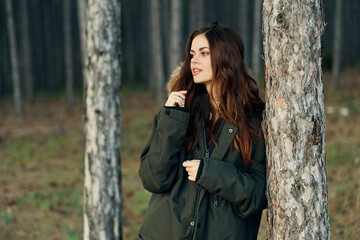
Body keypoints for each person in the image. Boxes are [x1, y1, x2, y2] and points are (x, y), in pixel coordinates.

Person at [138, 23, 266, 240]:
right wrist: (171, 119)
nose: (193, 61)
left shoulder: (253, 120)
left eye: (204, 53)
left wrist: (210, 173)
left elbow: (256, 195)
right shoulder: (177, 112)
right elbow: (153, 179)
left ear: (226, 57)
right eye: (192, 54)